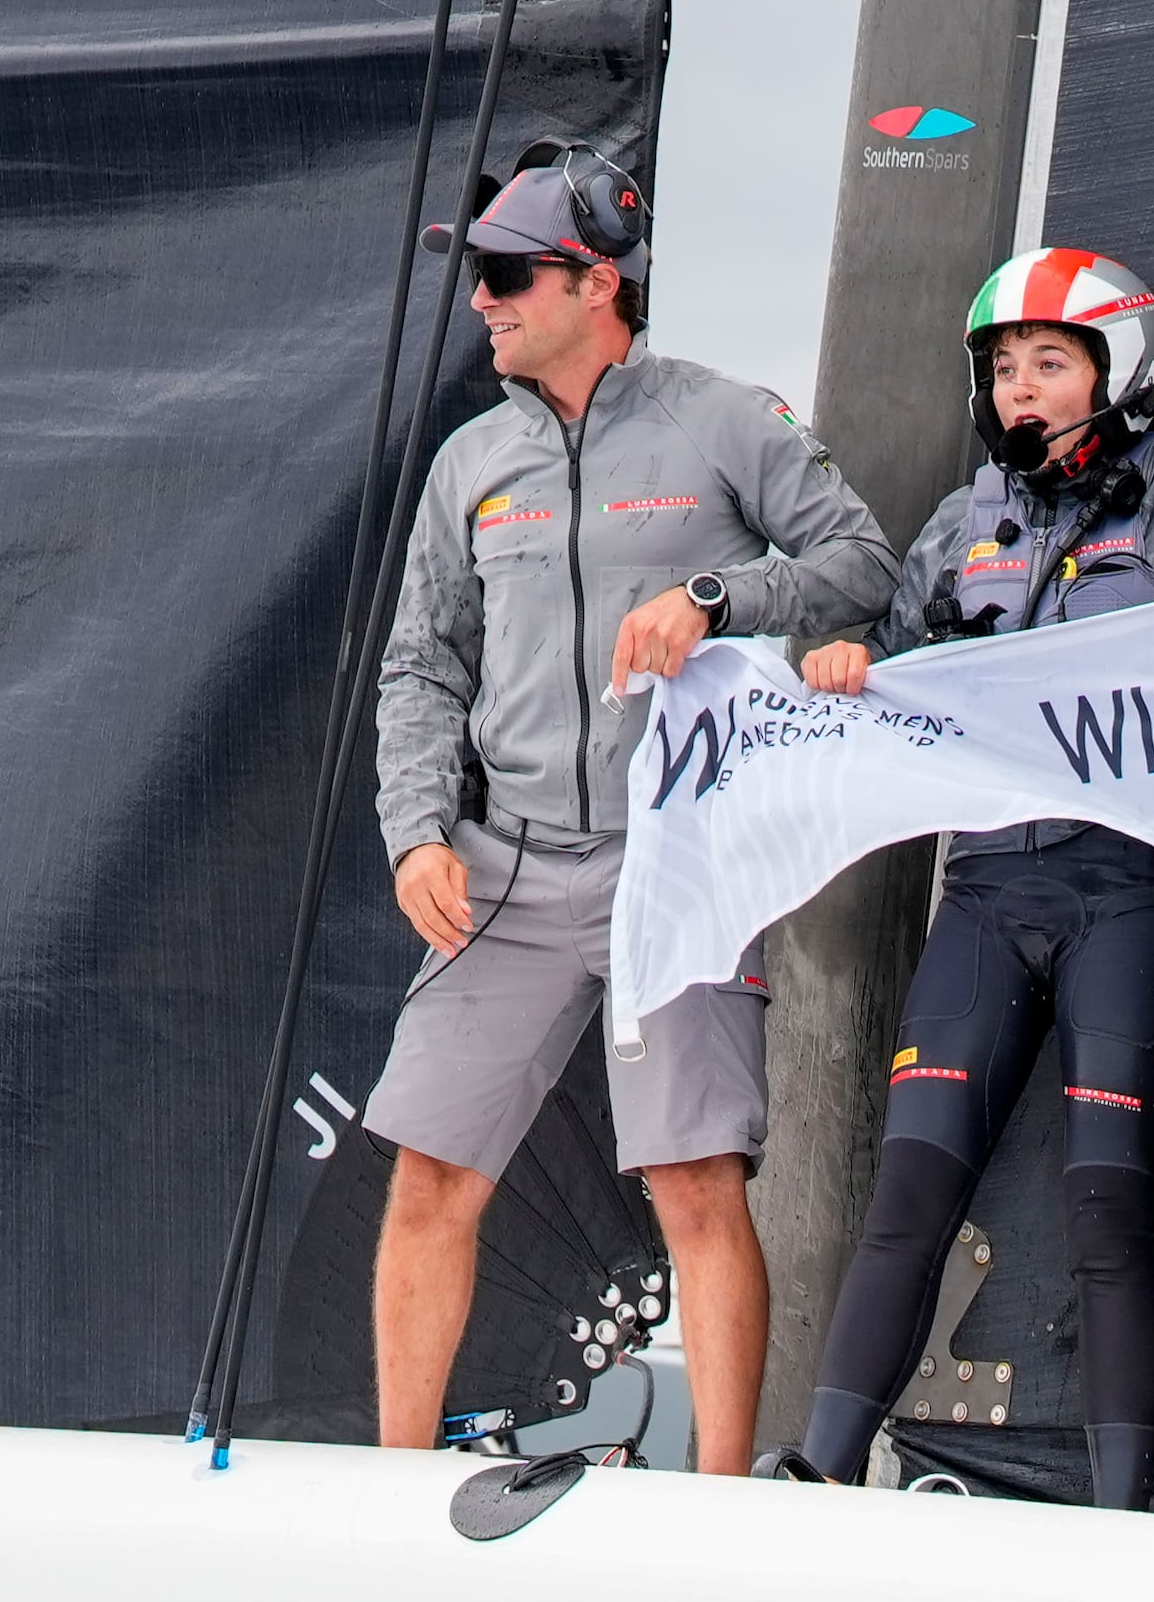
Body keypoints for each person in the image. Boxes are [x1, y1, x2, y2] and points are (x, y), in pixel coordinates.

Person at [780, 59, 1154, 1494]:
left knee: (1112, 1202)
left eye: (1050, 358)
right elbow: (892, 653)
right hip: (987, 890)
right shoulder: (963, 520)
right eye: (1001, 364)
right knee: (912, 1184)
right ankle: (816, 1463)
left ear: (1119, 367)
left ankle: (1122, 1512)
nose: (1018, 385)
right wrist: (843, 660)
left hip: (1132, 891)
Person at [368, 137, 897, 1474]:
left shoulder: (722, 419)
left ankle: (717, 1506)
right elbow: (422, 665)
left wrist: (719, 599)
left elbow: (860, 564)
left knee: (694, 1185)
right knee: (431, 1173)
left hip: (678, 860)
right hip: (508, 861)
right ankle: (385, 1486)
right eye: (476, 276)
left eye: (505, 276)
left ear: (596, 283)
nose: (481, 301)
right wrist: (418, 830)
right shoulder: (469, 461)